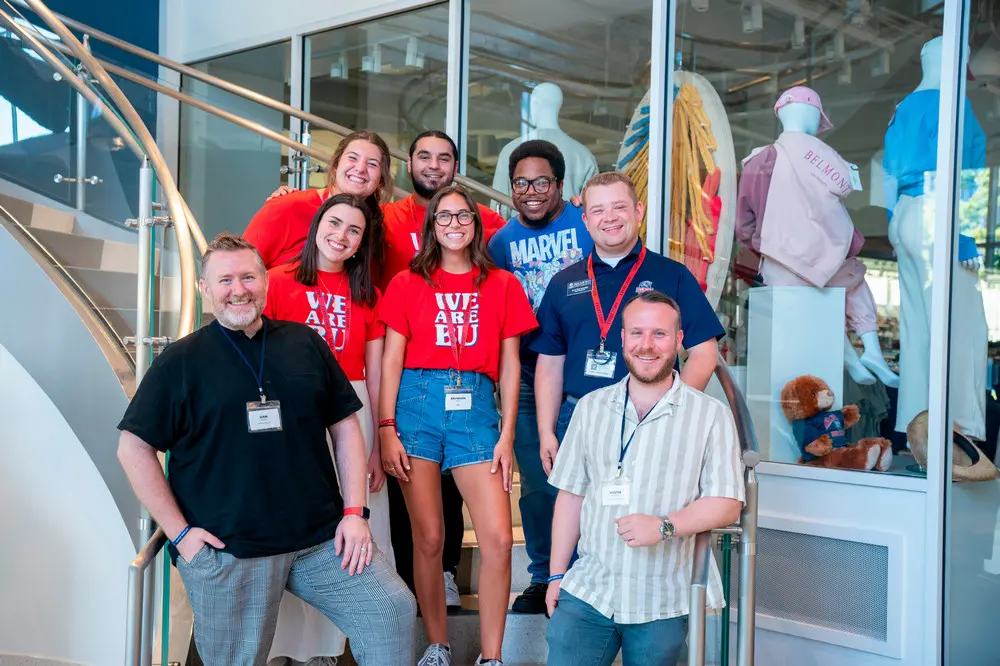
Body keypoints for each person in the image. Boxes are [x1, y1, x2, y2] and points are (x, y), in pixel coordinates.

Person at [116, 233, 416, 666]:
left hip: (321, 541)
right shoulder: (180, 361)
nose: (238, 289)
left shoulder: (304, 343)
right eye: (225, 280)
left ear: (266, 282)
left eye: (248, 277)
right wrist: (181, 535)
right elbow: (133, 448)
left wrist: (355, 512)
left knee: (391, 610)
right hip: (230, 550)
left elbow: (345, 424)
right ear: (204, 288)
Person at [378, 185, 537, 666]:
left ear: (475, 223)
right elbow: (390, 360)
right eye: (443, 216)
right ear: (432, 226)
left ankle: (492, 656)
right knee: (428, 537)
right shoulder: (407, 283)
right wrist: (386, 426)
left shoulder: (503, 284)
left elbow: (510, 366)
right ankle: (437, 645)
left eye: (463, 215)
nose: (453, 224)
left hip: (477, 411)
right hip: (416, 404)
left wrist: (507, 435)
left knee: (499, 539)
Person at [545, 291, 745, 666]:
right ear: (622, 338)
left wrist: (664, 526)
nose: (647, 345)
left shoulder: (709, 415)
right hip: (590, 591)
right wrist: (556, 575)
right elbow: (571, 495)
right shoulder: (590, 408)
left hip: (661, 599)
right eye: (637, 333)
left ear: (679, 340)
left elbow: (727, 502)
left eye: (659, 334)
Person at [262, 194, 395, 665]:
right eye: (334, 223)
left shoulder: (368, 295)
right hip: (292, 412)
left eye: (354, 230)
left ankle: (329, 648)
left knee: (353, 527)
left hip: (353, 413)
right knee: (296, 527)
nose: (341, 235)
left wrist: (378, 443)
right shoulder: (277, 283)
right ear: (317, 224)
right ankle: (284, 647)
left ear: (362, 243)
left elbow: (375, 375)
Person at [532, 171, 725, 478]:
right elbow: (550, 364)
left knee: (648, 504)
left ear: (638, 211)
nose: (609, 217)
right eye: (598, 210)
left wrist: (669, 411)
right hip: (577, 418)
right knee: (576, 507)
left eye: (619, 207)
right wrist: (546, 431)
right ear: (585, 220)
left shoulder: (672, 275)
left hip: (648, 417)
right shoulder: (563, 283)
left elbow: (704, 352)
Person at [486, 140, 593, 614]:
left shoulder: (585, 223)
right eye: (521, 183)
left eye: (541, 182)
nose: (531, 192)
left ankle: (588, 570)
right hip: (529, 377)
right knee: (537, 482)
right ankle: (544, 573)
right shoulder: (499, 243)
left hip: (585, 377)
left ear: (560, 185)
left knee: (592, 479)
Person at [244, 130, 391, 270]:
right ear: (336, 165)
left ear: (381, 179)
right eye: (352, 158)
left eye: (372, 164)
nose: (360, 168)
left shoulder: (376, 226)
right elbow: (238, 267)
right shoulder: (287, 206)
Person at [381, 130, 506, 290]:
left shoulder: (485, 219)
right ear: (410, 164)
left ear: (455, 168)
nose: (434, 165)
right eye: (424, 157)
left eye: (444, 159)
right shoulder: (384, 217)